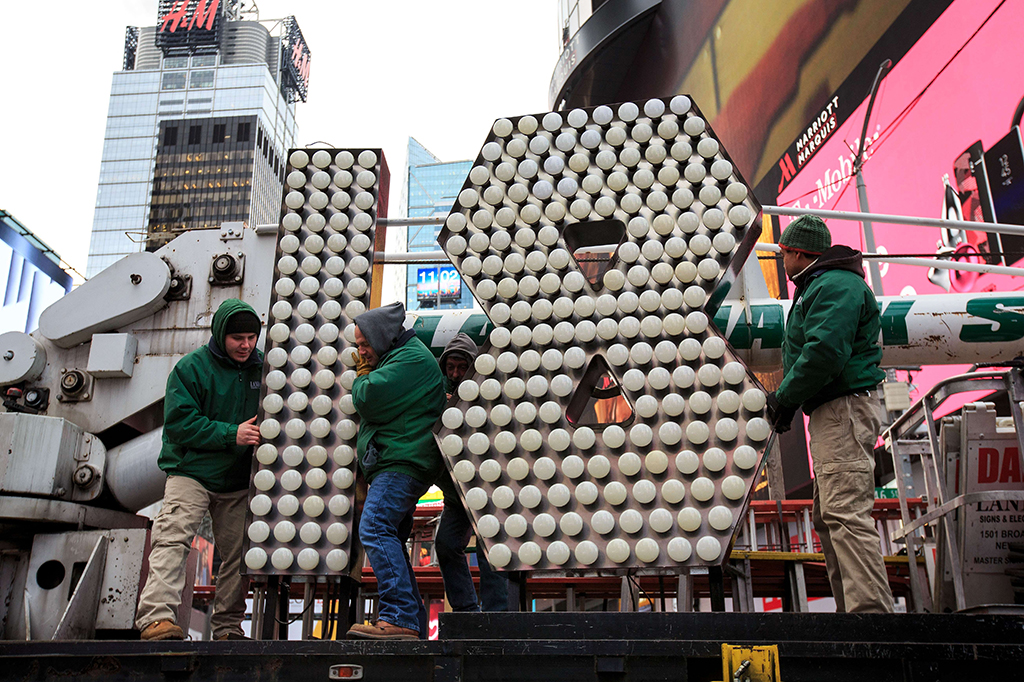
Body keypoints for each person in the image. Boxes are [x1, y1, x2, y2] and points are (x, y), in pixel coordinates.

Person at [767, 215, 894, 614]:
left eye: (784, 253)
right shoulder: (824, 284)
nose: (783, 262)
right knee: (830, 516)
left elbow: (824, 353)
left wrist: (784, 398)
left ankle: (871, 619)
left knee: (844, 512)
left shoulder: (833, 285)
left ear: (800, 252)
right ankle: (852, 614)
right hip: (834, 411)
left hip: (843, 409)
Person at [136, 299, 263, 641]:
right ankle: (156, 619)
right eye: (238, 337)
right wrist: (230, 433)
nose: (246, 345)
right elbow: (178, 425)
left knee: (240, 556)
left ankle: (227, 629)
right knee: (173, 540)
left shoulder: (264, 368)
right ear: (221, 334)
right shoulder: (191, 368)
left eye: (252, 337)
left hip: (237, 479)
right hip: (190, 472)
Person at [346, 302, 446, 640]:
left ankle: (400, 617)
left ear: (382, 337)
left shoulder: (410, 360)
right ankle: (410, 619)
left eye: (364, 344)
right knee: (391, 536)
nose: (361, 353)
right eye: (357, 346)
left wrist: (362, 375)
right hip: (401, 459)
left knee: (374, 526)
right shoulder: (401, 356)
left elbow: (368, 399)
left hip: (403, 462)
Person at [434, 333, 509, 612]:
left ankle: (495, 614)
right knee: (445, 545)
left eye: (461, 367)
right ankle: (467, 611)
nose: (455, 373)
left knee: (489, 548)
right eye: (451, 367)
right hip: (458, 492)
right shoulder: (439, 396)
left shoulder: (490, 394)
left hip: (487, 488)